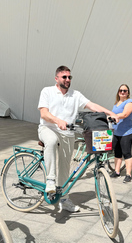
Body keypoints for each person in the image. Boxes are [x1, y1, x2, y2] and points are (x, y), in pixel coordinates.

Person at [38, 65, 119, 212]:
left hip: (68, 134)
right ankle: (50, 180)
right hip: (48, 128)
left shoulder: (75, 94)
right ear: (56, 78)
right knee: (50, 141)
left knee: (65, 168)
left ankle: (64, 198)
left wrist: (110, 113)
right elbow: (44, 113)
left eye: (70, 77)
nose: (68, 79)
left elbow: (92, 105)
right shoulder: (47, 91)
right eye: (64, 77)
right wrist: (58, 121)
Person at [110, 84, 132, 183]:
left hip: (127, 133)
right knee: (117, 153)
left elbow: (124, 114)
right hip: (117, 133)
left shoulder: (129, 102)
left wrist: (113, 116)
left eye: (125, 90)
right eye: (121, 90)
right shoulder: (116, 103)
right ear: (118, 92)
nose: (123, 92)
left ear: (128, 92)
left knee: (126, 153)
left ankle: (128, 174)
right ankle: (117, 171)